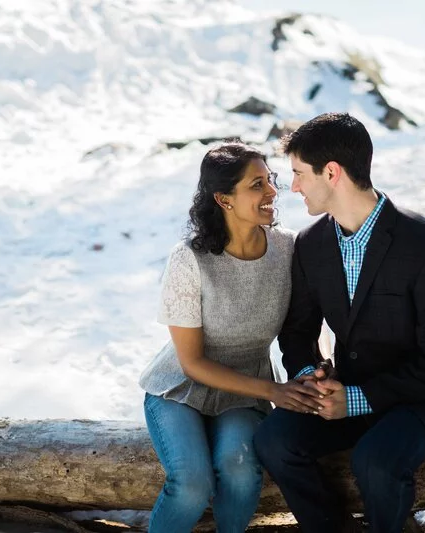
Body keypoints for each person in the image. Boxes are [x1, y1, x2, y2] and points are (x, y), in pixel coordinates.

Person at [253, 113, 425, 533]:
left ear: (332, 173)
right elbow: (298, 331)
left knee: (374, 460)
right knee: (273, 439)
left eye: (300, 174)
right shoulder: (311, 244)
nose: (294, 186)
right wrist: (311, 378)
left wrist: (355, 399)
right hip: (347, 389)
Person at [138, 142, 324, 533]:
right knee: (191, 484)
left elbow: (306, 324)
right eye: (257, 184)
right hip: (178, 387)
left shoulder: (289, 249)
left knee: (240, 471)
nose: (273, 191)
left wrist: (316, 371)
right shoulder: (189, 258)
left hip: (247, 390)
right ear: (224, 198)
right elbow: (192, 362)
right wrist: (274, 392)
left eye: (270, 180)